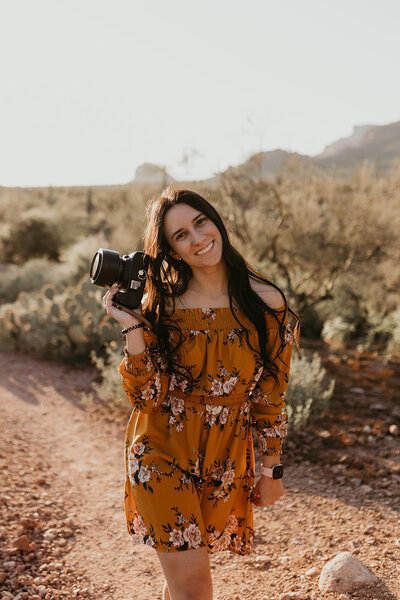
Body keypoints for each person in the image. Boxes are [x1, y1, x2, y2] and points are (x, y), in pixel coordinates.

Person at [102, 187, 300, 600]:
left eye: (200, 223)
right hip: (159, 448)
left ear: (215, 222)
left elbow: (270, 395)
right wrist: (132, 327)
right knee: (194, 583)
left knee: (182, 577)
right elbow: (145, 397)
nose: (197, 238)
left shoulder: (268, 302)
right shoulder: (162, 305)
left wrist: (272, 471)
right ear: (172, 251)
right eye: (180, 235)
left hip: (224, 456)